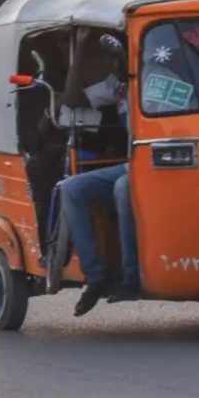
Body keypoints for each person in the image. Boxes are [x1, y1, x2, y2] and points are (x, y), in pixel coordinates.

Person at [59, 27, 139, 316]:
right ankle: (95, 275)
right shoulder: (116, 85)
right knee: (70, 188)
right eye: (110, 56)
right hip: (132, 163)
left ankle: (131, 276)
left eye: (116, 54)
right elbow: (72, 98)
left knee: (123, 188)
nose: (112, 61)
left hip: (156, 164)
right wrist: (79, 52)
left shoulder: (157, 81)